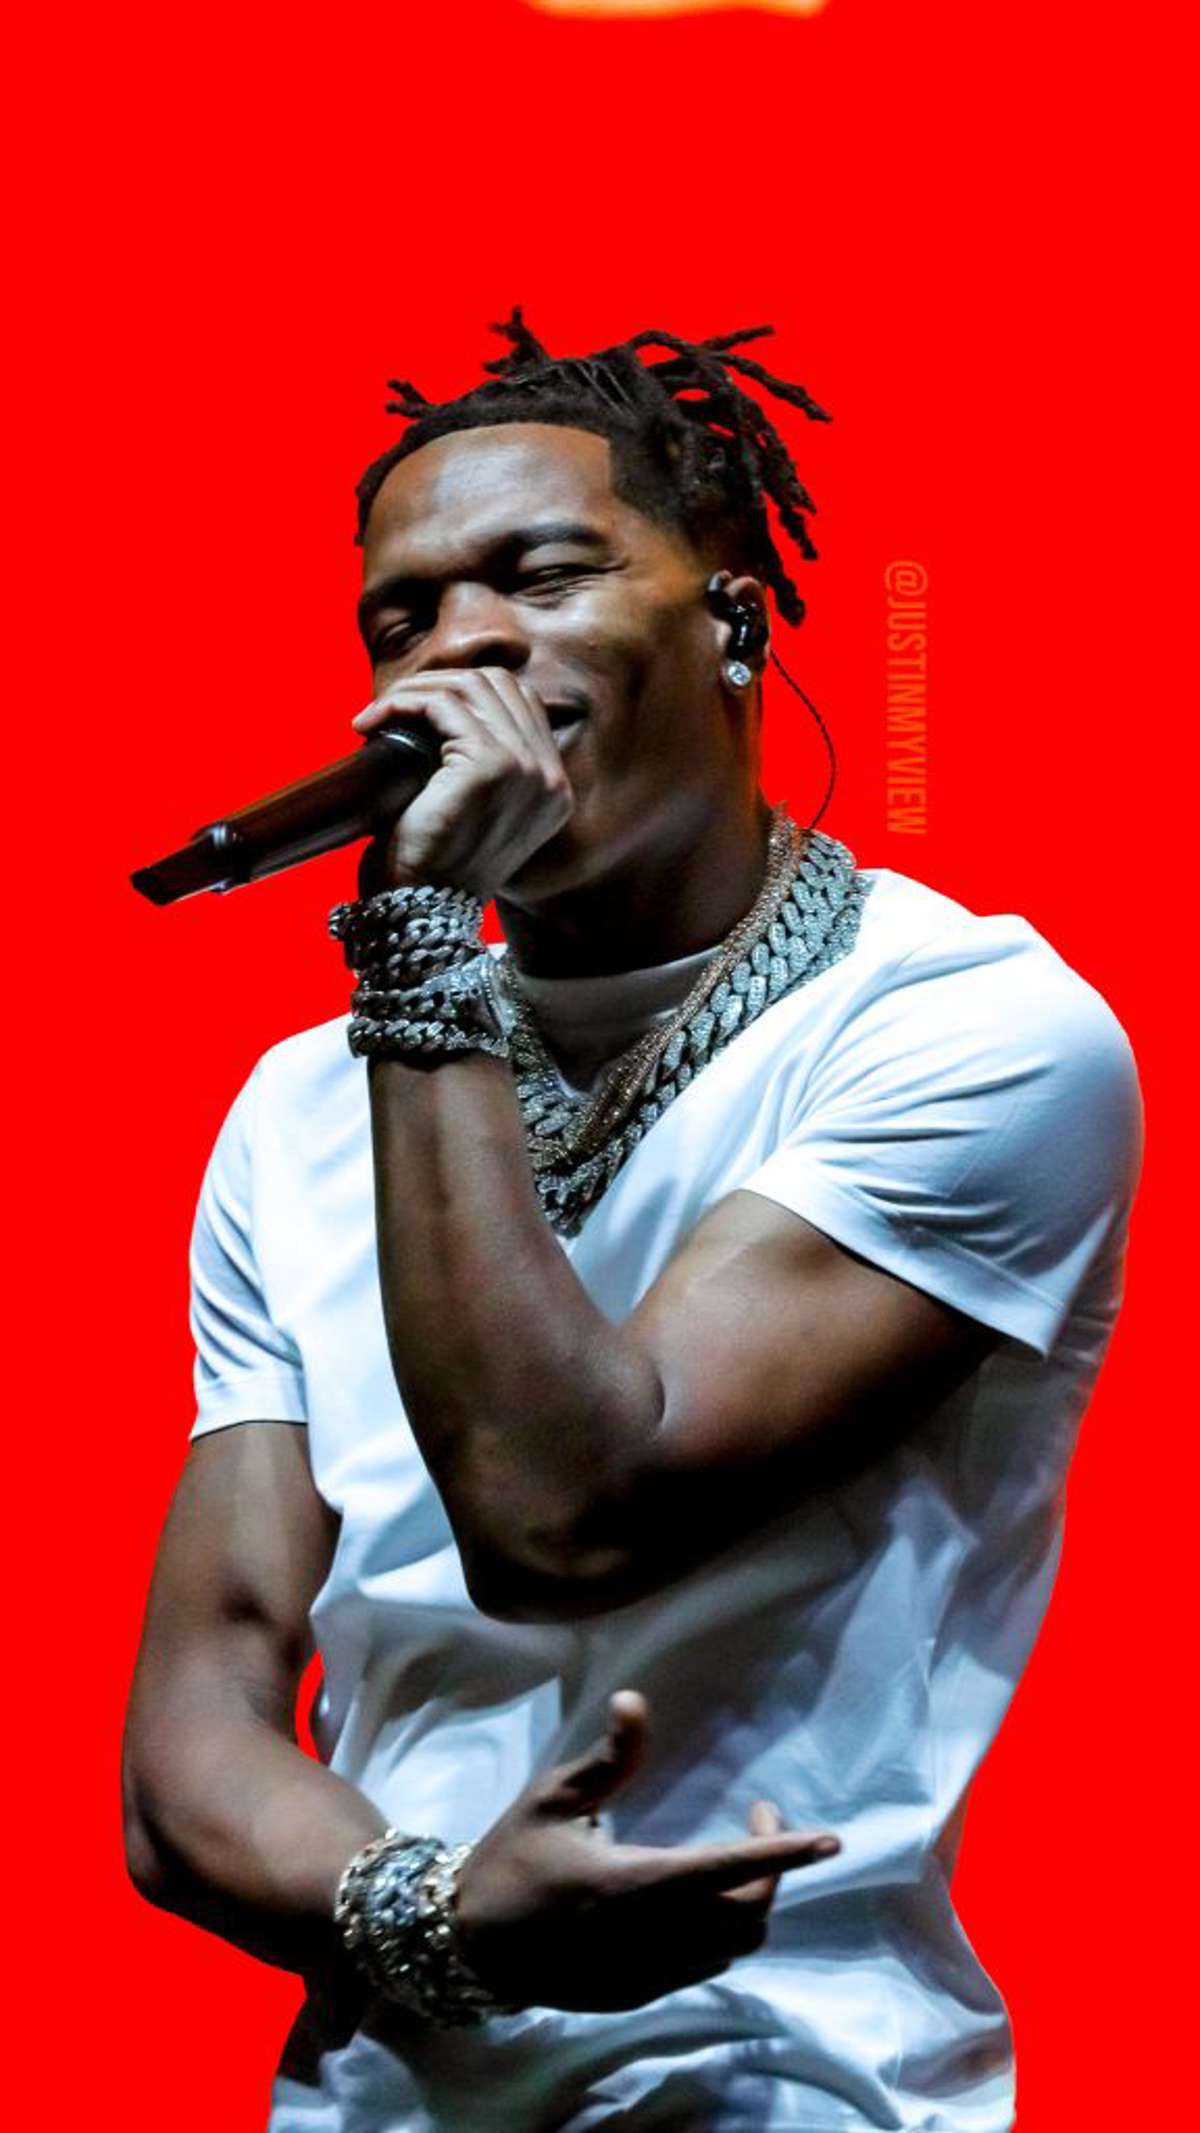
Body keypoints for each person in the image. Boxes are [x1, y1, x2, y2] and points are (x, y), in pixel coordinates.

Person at [123, 311, 1143, 2132]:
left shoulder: (968, 1030)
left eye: (540, 577)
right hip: (375, 2089)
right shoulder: (301, 1107)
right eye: (402, 618)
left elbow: (563, 1507)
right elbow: (196, 1719)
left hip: (780, 2073)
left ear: (735, 621)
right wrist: (442, 1918)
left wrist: (419, 947)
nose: (461, 646)